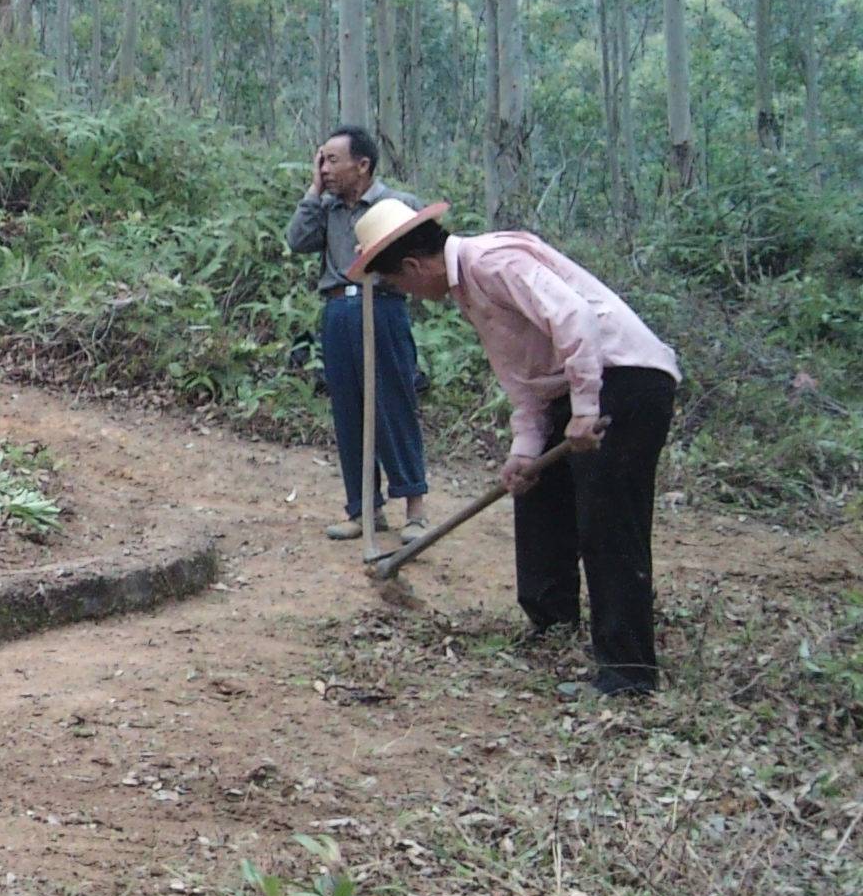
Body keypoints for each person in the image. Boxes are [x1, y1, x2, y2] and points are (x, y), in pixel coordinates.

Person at [350, 201, 682, 698]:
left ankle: (629, 673)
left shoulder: (493, 262)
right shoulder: (467, 290)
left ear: (416, 267)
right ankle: (553, 625)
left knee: (608, 522)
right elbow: (525, 377)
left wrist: (587, 408)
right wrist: (525, 450)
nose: (409, 295)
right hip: (573, 387)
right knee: (536, 496)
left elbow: (574, 320)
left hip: (625, 377)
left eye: (401, 285)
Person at [286, 126, 430, 543]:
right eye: (322, 161)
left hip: (382, 309)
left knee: (392, 405)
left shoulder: (396, 205)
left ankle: (415, 510)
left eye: (333, 160)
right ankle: (363, 508)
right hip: (337, 312)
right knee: (348, 411)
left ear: (362, 164)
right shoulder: (326, 209)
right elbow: (297, 241)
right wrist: (313, 191)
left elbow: (422, 259)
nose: (325, 169)